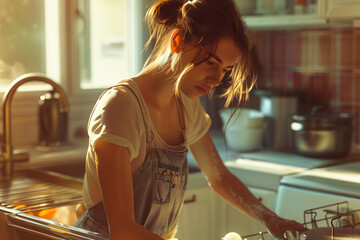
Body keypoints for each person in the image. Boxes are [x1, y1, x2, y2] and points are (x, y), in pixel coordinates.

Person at [74, 0, 307, 239]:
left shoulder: (186, 104)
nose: (217, 78)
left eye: (226, 69)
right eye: (210, 62)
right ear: (178, 42)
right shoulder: (121, 107)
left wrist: (271, 218)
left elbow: (218, 177)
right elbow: (122, 230)